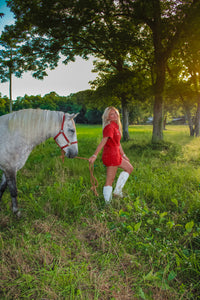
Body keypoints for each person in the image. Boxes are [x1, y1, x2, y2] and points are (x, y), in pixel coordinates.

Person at [89, 107, 133, 203]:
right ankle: (107, 204)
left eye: (116, 113)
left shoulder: (115, 126)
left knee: (129, 168)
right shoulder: (109, 127)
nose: (115, 115)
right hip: (111, 155)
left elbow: (118, 143)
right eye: (112, 114)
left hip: (117, 154)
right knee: (110, 180)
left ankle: (117, 192)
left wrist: (124, 155)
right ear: (108, 117)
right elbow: (103, 142)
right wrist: (94, 155)